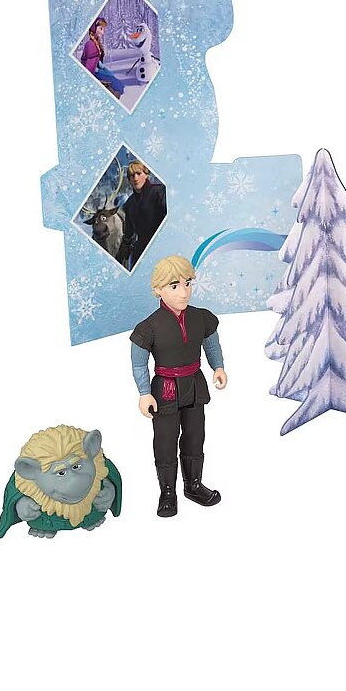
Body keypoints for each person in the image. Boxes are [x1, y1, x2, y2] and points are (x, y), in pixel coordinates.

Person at [130, 255, 227, 517]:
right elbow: (139, 364)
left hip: (194, 385)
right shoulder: (148, 327)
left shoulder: (201, 318)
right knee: (165, 441)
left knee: (195, 436)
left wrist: (218, 367)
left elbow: (212, 346)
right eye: (174, 286)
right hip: (165, 389)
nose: (184, 292)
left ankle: (193, 485)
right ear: (158, 289)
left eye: (187, 283)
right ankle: (167, 492)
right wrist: (144, 393)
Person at [121, 160, 166, 269]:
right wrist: (124, 247)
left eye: (138, 173)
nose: (135, 178)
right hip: (140, 252)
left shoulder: (159, 191)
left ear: (146, 175)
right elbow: (128, 231)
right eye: (132, 176)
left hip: (161, 246)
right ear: (129, 180)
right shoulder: (129, 203)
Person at [79, 16, 125, 97]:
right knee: (116, 85)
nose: (103, 32)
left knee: (118, 83)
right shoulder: (89, 44)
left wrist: (101, 67)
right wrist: (96, 69)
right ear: (94, 28)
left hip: (99, 70)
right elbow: (88, 63)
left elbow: (97, 59)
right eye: (101, 29)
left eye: (103, 29)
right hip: (94, 72)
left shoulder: (96, 42)